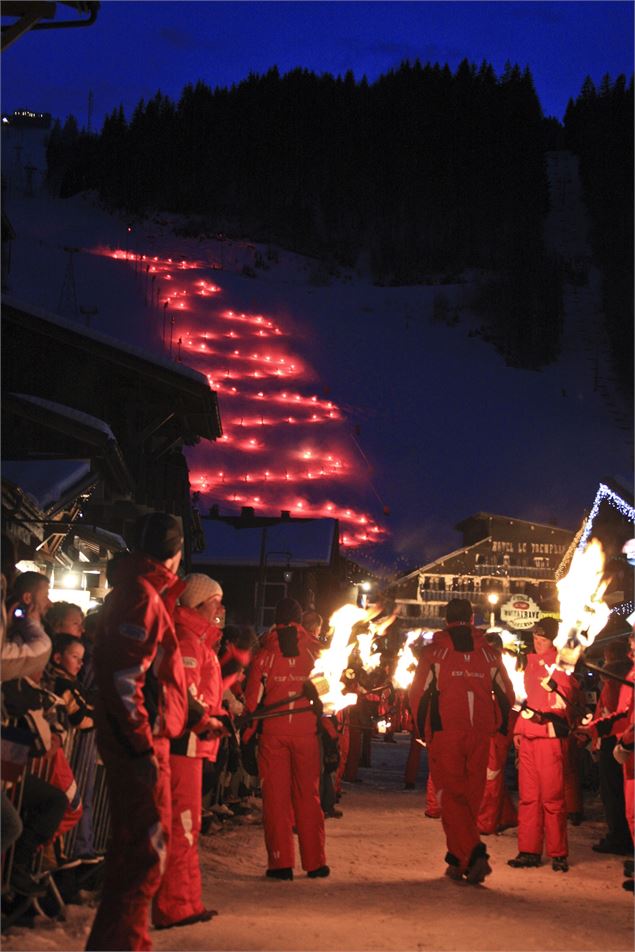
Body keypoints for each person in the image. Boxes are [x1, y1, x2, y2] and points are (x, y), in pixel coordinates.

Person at [86, 512, 191, 952]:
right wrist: (143, 748)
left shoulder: (144, 594)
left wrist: (196, 715)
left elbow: (153, 678)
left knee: (137, 856)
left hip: (146, 744)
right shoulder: (142, 597)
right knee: (142, 857)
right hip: (141, 750)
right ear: (175, 552)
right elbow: (125, 679)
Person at [409, 598, 514, 884]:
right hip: (480, 732)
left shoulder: (433, 653)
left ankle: (474, 853)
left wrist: (422, 731)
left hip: (446, 733)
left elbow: (417, 695)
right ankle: (458, 859)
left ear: (446, 620)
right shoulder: (491, 654)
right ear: (472, 618)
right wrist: (500, 728)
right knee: (470, 797)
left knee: (450, 796)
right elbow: (507, 695)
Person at [152, 573, 227, 931]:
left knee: (188, 825)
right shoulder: (186, 642)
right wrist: (205, 719)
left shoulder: (198, 640)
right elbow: (184, 697)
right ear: (200, 602)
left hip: (195, 744)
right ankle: (174, 905)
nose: (220, 608)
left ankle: (187, 900)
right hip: (184, 744)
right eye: (216, 600)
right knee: (180, 825)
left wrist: (222, 714)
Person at [244, 598, 328, 880]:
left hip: (273, 734)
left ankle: (280, 863)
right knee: (308, 796)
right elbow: (328, 696)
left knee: (276, 799)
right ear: (300, 619)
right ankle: (315, 863)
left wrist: (245, 738)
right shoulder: (315, 651)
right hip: (306, 733)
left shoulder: (264, 654)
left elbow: (252, 703)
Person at [508, 617, 576, 873]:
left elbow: (566, 700)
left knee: (552, 797)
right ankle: (528, 850)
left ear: (552, 641)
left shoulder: (562, 664)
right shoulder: (529, 663)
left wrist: (556, 689)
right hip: (528, 736)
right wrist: (518, 728)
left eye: (543, 639)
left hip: (548, 737)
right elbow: (522, 700)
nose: (537, 643)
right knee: (528, 797)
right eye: (535, 638)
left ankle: (558, 853)